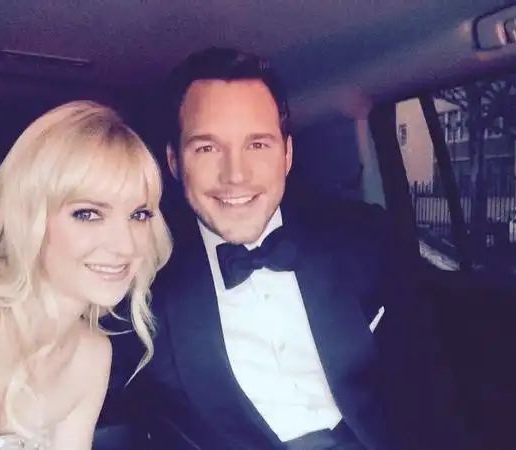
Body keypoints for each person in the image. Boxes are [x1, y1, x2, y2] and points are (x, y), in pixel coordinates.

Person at [107, 47, 473, 450]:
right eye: (207, 148)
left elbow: (428, 390)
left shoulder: (363, 237)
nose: (235, 175)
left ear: (287, 155)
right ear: (175, 162)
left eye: (258, 145)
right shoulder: (138, 277)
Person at [0, 101, 172, 450]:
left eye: (139, 215)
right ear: (28, 214)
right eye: (88, 214)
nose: (125, 245)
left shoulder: (90, 356)